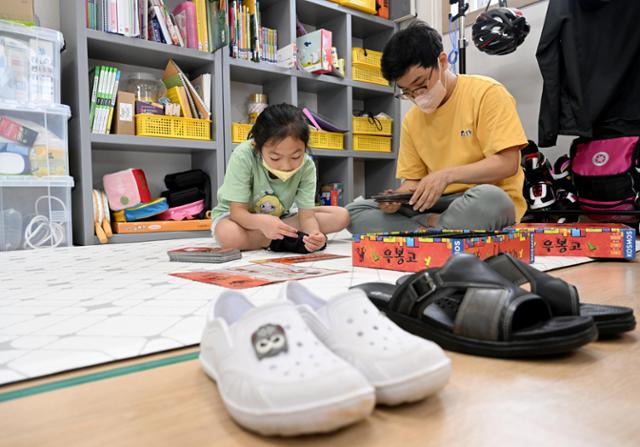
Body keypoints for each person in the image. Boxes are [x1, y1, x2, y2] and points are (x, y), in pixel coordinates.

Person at [346, 21, 528, 235]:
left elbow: (508, 164)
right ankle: (438, 228)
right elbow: (413, 180)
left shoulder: (487, 93)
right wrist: (396, 198)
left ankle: (424, 229)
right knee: (355, 212)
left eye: (421, 84)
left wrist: (446, 176)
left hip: (480, 200)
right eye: (407, 92)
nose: (417, 96)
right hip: (434, 205)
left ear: (442, 62)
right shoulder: (412, 119)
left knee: (491, 200)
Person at [212, 103, 349, 252]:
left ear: (305, 147)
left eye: (296, 156)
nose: (286, 166)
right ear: (256, 146)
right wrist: (261, 222)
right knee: (228, 234)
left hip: (281, 217)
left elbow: (307, 217)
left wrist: (314, 236)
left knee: (341, 216)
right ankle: (277, 239)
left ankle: (271, 238)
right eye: (275, 158)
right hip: (239, 219)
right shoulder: (243, 155)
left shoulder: (307, 165)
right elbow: (237, 213)